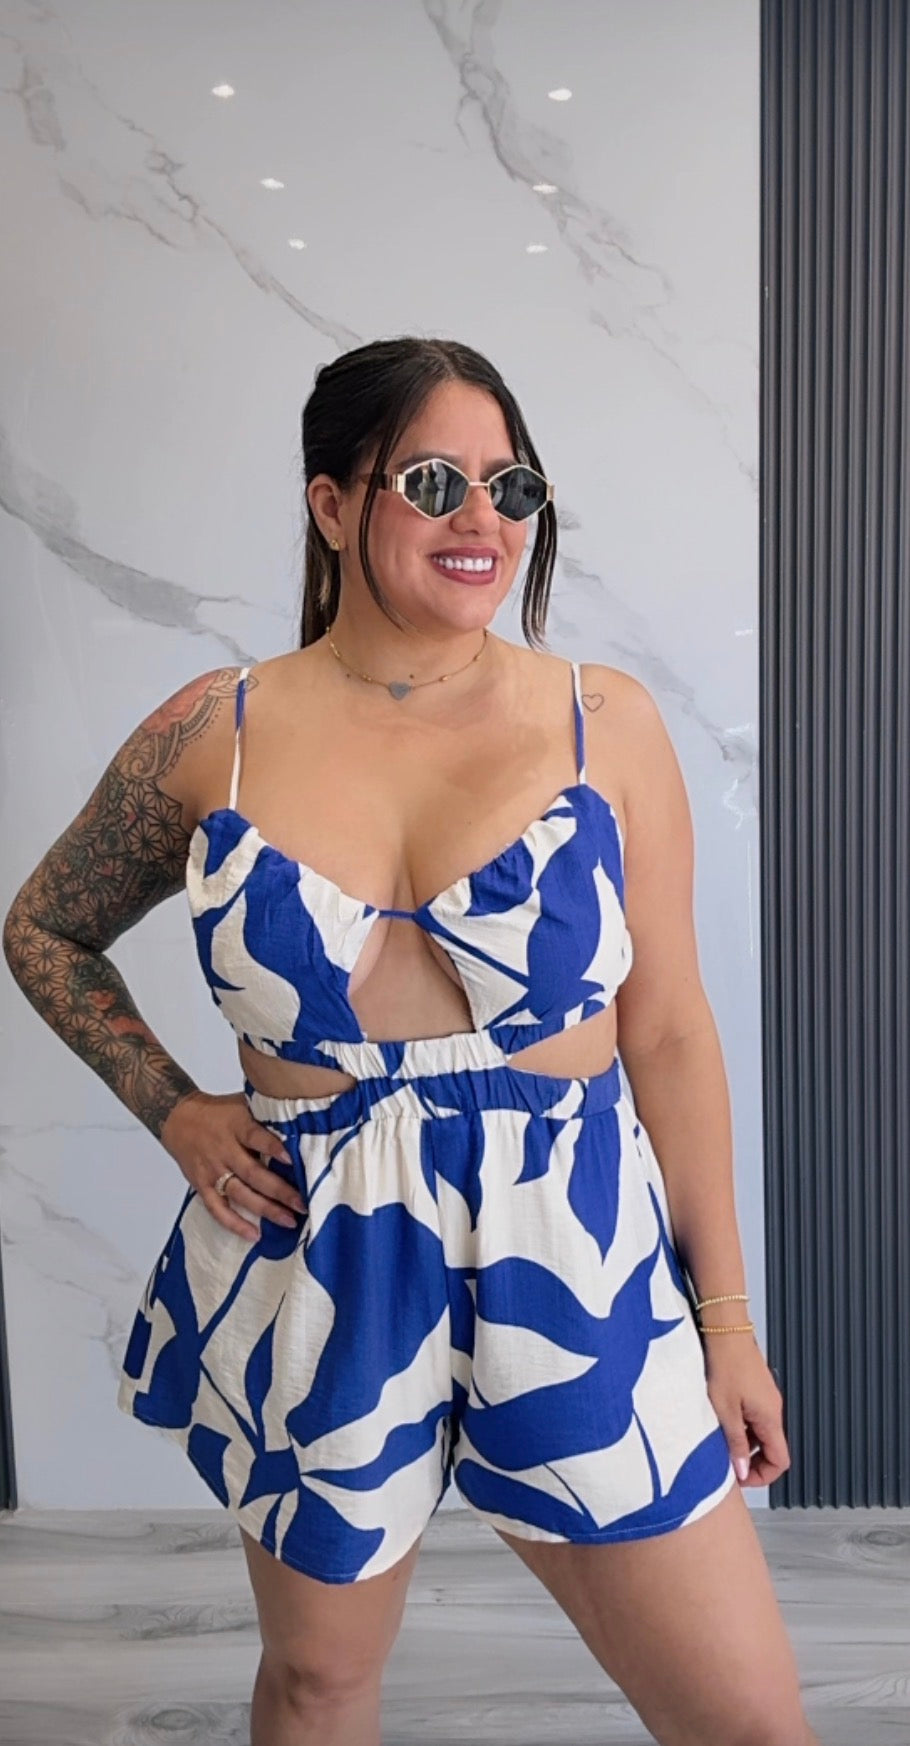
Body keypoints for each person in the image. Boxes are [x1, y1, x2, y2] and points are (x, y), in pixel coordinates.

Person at [3, 336, 818, 1746]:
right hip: (322, 1257)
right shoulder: (213, 732)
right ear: (332, 503)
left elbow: (673, 1034)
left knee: (742, 1719)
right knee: (321, 1680)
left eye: (513, 485)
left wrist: (726, 1324)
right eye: (434, 480)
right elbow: (43, 929)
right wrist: (176, 1108)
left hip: (569, 1252)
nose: (482, 518)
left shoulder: (604, 724)